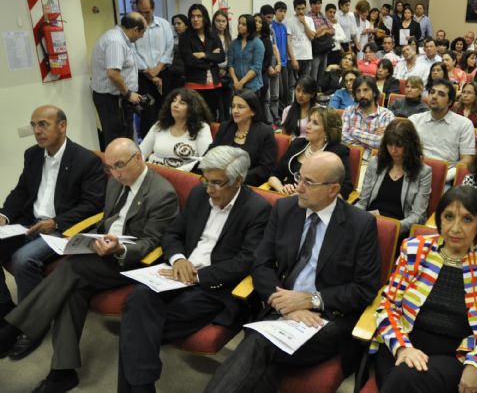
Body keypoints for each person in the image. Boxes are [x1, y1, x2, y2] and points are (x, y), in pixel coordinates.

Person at [0, 138, 179, 391]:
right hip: (101, 252)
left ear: (138, 158)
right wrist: (87, 238)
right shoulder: (115, 182)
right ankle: (62, 371)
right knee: (71, 292)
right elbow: (107, 220)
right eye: (110, 168)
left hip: (132, 261)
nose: (115, 174)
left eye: (119, 166)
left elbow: (151, 242)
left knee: (71, 268)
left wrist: (119, 248)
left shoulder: (163, 193)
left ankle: (14, 326)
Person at [204, 152, 381, 393]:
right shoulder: (285, 208)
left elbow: (364, 289)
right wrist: (287, 305)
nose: (298, 187)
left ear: (333, 189)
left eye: (309, 182)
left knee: (259, 344)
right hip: (282, 307)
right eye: (300, 178)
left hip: (327, 318)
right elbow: (261, 264)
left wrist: (311, 300)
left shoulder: (360, 225)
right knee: (263, 365)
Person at [117, 146, 272, 392]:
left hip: (214, 288)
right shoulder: (200, 194)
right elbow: (173, 233)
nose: (209, 189)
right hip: (175, 274)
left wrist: (198, 275)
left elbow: (246, 261)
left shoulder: (257, 210)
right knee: (138, 298)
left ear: (238, 181)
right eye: (206, 180)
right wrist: (178, 259)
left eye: (217, 183)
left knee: (135, 327)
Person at [371, 185, 477, 393]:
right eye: (449, 217)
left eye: (467, 219)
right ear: (439, 219)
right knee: (403, 376)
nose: (455, 228)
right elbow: (387, 305)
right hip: (402, 343)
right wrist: (403, 348)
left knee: (404, 378)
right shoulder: (414, 249)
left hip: (453, 354)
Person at [0, 106, 105, 354]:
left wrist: (56, 222)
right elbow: (22, 192)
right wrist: (3, 215)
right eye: (34, 125)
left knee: (23, 259)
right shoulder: (33, 155)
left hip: (60, 228)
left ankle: (31, 325)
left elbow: (93, 205)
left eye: (44, 124)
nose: (38, 131)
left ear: (62, 126)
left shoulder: (85, 161)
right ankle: (6, 311)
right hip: (29, 221)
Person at [356, 119, 432, 234]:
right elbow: (363, 202)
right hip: (370, 222)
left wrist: (391, 227)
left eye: (399, 145)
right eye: (389, 144)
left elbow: (418, 215)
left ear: (410, 145)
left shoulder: (423, 172)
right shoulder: (375, 163)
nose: (393, 150)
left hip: (400, 228)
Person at [268, 106, 353, 199]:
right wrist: (282, 189)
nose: (308, 126)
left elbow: (344, 190)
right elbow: (274, 176)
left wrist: (307, 195)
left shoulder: (338, 152)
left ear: (327, 132)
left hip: (315, 204)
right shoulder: (297, 143)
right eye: (309, 121)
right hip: (286, 198)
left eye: (315, 123)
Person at [91, 12, 147, 150]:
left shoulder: (121, 39)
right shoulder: (116, 41)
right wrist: (128, 94)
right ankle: (118, 170)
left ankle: (126, 168)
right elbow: (113, 74)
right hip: (112, 99)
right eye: (142, 32)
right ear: (135, 29)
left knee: (125, 137)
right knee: (118, 141)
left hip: (117, 98)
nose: (142, 36)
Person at [408, 79, 475, 182]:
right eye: (432, 92)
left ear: (450, 102)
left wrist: (445, 176)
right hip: (414, 173)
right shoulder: (414, 120)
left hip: (445, 178)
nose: (434, 96)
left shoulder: (464, 124)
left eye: (441, 94)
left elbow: (467, 160)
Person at [208, 89, 278, 186]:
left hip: (247, 184)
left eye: (240, 107)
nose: (235, 111)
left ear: (253, 111)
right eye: (233, 106)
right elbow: (211, 152)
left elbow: (265, 169)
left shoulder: (265, 132)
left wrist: (235, 177)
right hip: (218, 180)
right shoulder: (225, 127)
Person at [139, 87, 213, 170]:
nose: (175, 105)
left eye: (182, 103)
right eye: (173, 101)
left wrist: (178, 173)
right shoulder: (159, 125)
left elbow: (205, 159)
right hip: (155, 172)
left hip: (184, 176)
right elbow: (141, 153)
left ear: (193, 109)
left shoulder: (202, 128)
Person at [133, 0, 175, 138]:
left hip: (163, 72)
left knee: (166, 108)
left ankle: (167, 139)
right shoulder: (133, 27)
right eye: (140, 12)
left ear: (153, 8)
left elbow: (169, 47)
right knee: (148, 112)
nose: (143, 15)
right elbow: (133, 52)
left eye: (147, 12)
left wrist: (157, 70)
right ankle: (148, 146)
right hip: (143, 76)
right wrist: (150, 75)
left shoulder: (164, 24)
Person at [180, 4, 226, 120]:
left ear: (204, 18)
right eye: (192, 16)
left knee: (211, 116)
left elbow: (221, 57)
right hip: (195, 84)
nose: (195, 19)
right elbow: (189, 61)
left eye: (199, 16)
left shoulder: (213, 35)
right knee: (195, 117)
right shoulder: (185, 37)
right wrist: (211, 61)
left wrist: (204, 55)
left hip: (214, 84)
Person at [342, 76, 395, 152]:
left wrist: (353, 131)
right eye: (358, 91)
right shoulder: (349, 111)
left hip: (374, 160)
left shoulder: (386, 115)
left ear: (374, 92)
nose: (362, 95)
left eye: (365, 90)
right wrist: (373, 137)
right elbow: (343, 138)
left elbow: (383, 143)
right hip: (350, 157)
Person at [228, 14, 266, 101]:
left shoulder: (257, 43)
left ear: (250, 26)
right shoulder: (233, 43)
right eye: (239, 23)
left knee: (251, 112)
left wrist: (242, 82)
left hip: (252, 86)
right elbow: (230, 64)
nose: (239, 26)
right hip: (235, 85)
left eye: (243, 24)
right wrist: (236, 82)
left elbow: (256, 67)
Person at [260, 5, 284, 125]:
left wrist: (279, 63)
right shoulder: (257, 32)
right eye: (268, 17)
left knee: (276, 94)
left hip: (274, 61)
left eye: (271, 17)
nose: (270, 20)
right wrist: (268, 66)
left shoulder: (271, 31)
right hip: (265, 64)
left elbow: (275, 47)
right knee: (267, 95)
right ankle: (268, 117)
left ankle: (276, 116)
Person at [286, 0, 316, 91]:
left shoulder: (309, 20)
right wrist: (293, 59)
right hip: (295, 57)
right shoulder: (289, 21)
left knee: (305, 84)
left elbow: (311, 37)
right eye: (298, 9)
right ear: (294, 9)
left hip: (307, 56)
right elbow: (288, 41)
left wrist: (304, 23)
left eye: (303, 8)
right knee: (292, 85)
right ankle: (292, 104)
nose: (301, 11)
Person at [271, 1, 291, 119]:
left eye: (284, 12)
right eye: (280, 11)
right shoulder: (271, 27)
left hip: (285, 62)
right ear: (275, 12)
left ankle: (284, 114)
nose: (283, 14)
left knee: (286, 91)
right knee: (278, 92)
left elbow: (286, 45)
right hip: (276, 64)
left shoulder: (284, 27)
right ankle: (276, 115)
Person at [212, 9, 234, 121]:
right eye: (218, 21)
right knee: (218, 105)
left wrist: (227, 69)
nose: (221, 23)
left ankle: (227, 126)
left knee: (227, 104)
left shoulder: (230, 38)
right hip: (214, 73)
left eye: (223, 21)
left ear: (227, 23)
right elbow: (210, 56)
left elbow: (231, 56)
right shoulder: (210, 37)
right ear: (214, 22)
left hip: (227, 73)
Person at [161, 14, 189, 97]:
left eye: (179, 23)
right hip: (172, 75)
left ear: (186, 25)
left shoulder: (191, 39)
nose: (176, 26)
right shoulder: (172, 39)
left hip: (186, 75)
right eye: (174, 24)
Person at [307, 0, 333, 82]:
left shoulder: (322, 16)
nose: (317, 6)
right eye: (315, 4)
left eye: (319, 4)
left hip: (325, 49)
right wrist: (323, 28)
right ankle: (312, 94)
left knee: (321, 75)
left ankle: (319, 92)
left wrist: (324, 31)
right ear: (310, 5)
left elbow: (333, 30)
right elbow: (312, 34)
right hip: (315, 50)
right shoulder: (308, 17)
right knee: (313, 75)